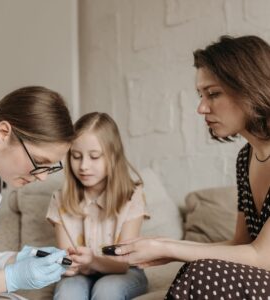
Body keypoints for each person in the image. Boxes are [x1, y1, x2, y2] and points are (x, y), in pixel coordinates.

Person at [113, 35, 270, 299]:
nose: (201, 107)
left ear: (250, 87)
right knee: (198, 267)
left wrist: (168, 249)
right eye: (200, 95)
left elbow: (262, 256)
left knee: (205, 274)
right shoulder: (246, 158)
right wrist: (164, 246)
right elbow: (241, 244)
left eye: (213, 94)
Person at [0, 86, 74, 300]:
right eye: (40, 162)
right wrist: (12, 277)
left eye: (50, 167)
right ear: (3, 133)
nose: (43, 177)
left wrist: (18, 260)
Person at [46, 112, 149, 300]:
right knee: (68, 292)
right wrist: (67, 265)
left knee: (106, 290)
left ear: (113, 156)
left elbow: (123, 263)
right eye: (76, 156)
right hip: (80, 274)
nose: (84, 166)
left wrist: (93, 260)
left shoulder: (132, 196)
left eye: (94, 157)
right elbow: (67, 260)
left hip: (124, 272)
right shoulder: (59, 199)